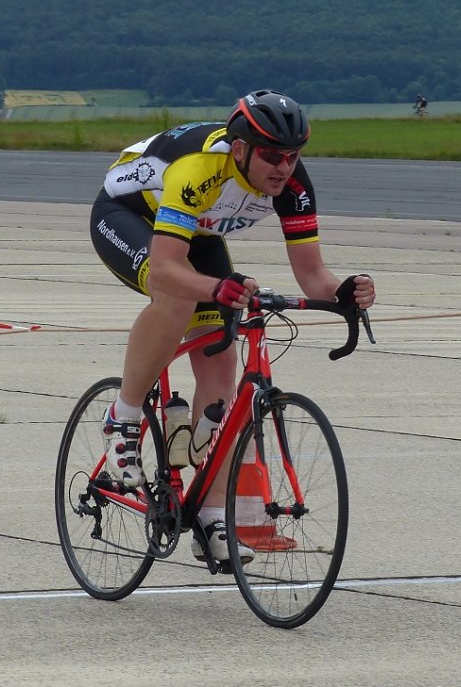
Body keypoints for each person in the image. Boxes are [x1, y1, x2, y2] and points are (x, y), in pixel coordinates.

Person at [89, 89, 375, 565]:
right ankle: (123, 414)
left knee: (222, 379)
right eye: (272, 156)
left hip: (198, 234)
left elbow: (312, 274)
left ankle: (210, 516)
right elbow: (166, 268)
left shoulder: (293, 183)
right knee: (178, 296)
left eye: (293, 155)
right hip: (128, 216)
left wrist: (346, 290)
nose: (284, 167)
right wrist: (214, 287)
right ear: (240, 149)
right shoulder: (199, 169)